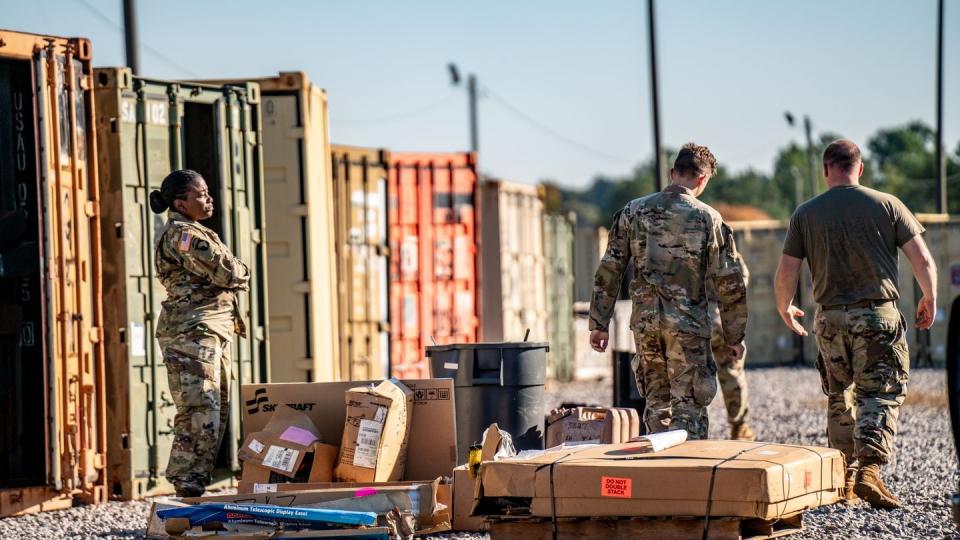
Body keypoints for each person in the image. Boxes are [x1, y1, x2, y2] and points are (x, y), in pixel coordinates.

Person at [775, 139, 937, 509]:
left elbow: (787, 270)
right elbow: (923, 260)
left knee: (839, 394)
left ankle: (843, 478)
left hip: (829, 318)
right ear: (860, 168)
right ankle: (870, 471)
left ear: (825, 169)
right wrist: (929, 297)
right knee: (879, 393)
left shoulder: (805, 213)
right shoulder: (888, 205)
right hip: (877, 315)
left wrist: (785, 307)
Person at [589, 143, 748, 440]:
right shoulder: (709, 219)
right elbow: (730, 283)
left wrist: (599, 324)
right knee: (689, 408)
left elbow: (609, 268)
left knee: (657, 407)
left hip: (647, 327)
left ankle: (661, 477)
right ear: (702, 180)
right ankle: (689, 478)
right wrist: (734, 336)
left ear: (673, 172)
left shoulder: (633, 211)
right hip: (688, 329)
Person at [149, 169, 251, 497]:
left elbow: (229, 271)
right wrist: (238, 268)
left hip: (210, 331)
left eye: (208, 192)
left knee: (214, 408)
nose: (209, 199)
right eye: (201, 194)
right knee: (199, 407)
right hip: (192, 333)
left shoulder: (195, 232)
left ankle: (194, 481)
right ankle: (186, 481)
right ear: (180, 202)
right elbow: (230, 272)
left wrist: (235, 269)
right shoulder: (183, 235)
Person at [709, 253, 754, 440]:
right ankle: (739, 426)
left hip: (689, 319)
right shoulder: (722, 243)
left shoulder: (681, 239)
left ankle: (689, 428)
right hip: (721, 317)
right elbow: (742, 276)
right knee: (731, 370)